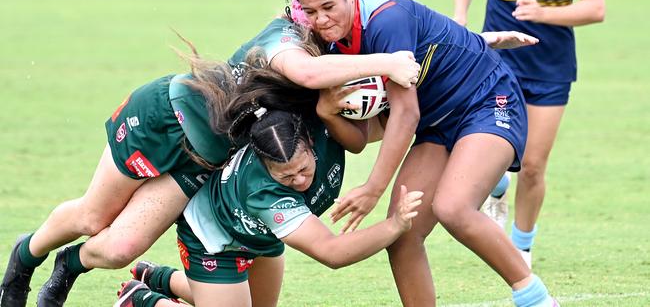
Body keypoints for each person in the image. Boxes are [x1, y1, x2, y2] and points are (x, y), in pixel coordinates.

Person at [0, 16, 420, 307]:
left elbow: (373, 126)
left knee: (120, 248)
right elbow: (312, 73)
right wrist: (388, 62)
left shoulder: (317, 100)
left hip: (205, 160)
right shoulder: (287, 46)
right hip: (165, 118)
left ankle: (70, 264)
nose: (322, 19)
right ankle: (25, 258)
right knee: (93, 218)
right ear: (297, 11)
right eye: (312, 10)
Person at [292, 0, 558, 307]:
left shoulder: (386, 22)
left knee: (453, 207)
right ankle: (484, 172)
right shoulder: (329, 45)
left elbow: (406, 114)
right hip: (438, 123)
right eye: (310, 12)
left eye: (328, 6)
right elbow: (361, 139)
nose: (321, 20)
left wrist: (374, 187)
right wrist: (329, 113)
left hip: (486, 98)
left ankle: (537, 299)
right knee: (402, 231)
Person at [112, 67, 424, 307]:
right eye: (286, 177)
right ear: (264, 164)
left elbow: (382, 122)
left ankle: (160, 278)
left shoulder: (320, 126)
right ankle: (145, 299)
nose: (299, 181)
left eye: (303, 169)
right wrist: (394, 226)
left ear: (311, 141)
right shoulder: (265, 193)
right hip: (214, 242)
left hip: (261, 237)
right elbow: (332, 253)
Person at [454, 0, 607, 266]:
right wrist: (460, 19)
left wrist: (543, 13)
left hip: (549, 71)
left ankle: (521, 247)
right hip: (498, 61)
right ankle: (497, 184)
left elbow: (596, 8)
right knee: (483, 146)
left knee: (533, 166)